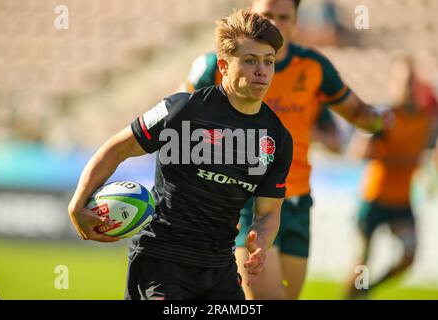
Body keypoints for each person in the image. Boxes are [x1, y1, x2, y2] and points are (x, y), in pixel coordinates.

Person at [68, 10, 294, 300]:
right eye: (250, 61)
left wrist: (261, 241)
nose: (262, 70)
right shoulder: (182, 110)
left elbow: (268, 213)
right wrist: (78, 203)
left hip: (219, 268)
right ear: (224, 66)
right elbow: (117, 148)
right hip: (161, 262)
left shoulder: (277, 138)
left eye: (269, 61)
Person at [181, 0, 393, 300]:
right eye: (268, 15)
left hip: (295, 201)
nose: (276, 23)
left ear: (296, 20)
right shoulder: (217, 65)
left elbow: (358, 113)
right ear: (251, 14)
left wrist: (379, 120)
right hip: (244, 200)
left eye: (284, 16)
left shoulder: (314, 66)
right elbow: (178, 122)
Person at [345, 57, 437, 299]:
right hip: (375, 198)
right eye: (404, 81)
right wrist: (378, 147)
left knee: (410, 255)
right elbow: (358, 154)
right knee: (361, 261)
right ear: (393, 83)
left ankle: (369, 290)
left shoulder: (426, 120)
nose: (408, 87)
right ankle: (349, 295)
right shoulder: (383, 116)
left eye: (412, 82)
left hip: (402, 201)